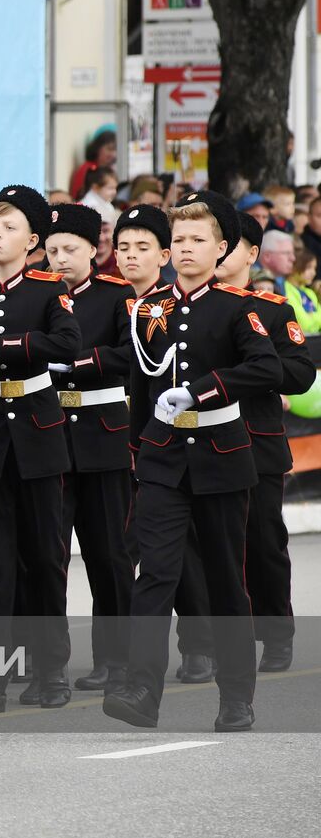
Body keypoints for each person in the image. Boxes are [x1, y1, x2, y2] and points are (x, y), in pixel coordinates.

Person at [104, 190, 279, 732]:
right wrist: (139, 453)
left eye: (197, 240)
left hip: (221, 456)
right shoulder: (148, 308)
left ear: (221, 248)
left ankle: (236, 696)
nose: (184, 248)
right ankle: (142, 690)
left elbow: (267, 368)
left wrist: (202, 391)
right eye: (178, 239)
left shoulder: (238, 307)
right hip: (163, 458)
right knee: (155, 574)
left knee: (226, 579)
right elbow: (141, 387)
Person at [0, 187, 80, 715]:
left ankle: (50, 668)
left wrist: (4, 347)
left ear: (33, 241)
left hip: (37, 429)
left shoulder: (48, 289)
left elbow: (67, 343)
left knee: (44, 557)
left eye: (9, 227)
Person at [44, 204, 135, 694]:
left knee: (109, 554)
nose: (60, 258)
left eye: (70, 249)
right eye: (52, 249)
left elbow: (131, 354)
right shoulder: (38, 293)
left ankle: (115, 659)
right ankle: (49, 662)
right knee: (49, 555)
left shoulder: (117, 295)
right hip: (49, 435)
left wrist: (78, 363)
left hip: (103, 435)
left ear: (93, 250)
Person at [218, 212, 315, 672]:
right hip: (199, 443)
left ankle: (276, 635)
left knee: (262, 542)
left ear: (252, 254)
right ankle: (208, 642)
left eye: (228, 243)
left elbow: (299, 372)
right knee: (208, 546)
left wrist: (254, 370)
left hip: (255, 441)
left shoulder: (274, 310)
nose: (217, 251)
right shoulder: (182, 310)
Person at [70, 127, 117, 198]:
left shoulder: (108, 169)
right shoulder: (88, 169)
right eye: (109, 149)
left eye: (115, 150)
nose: (113, 154)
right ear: (97, 148)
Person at [283, 249, 321, 334]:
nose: (314, 273)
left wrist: (312, 317)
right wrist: (316, 318)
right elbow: (304, 325)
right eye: (309, 267)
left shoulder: (310, 293)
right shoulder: (285, 289)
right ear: (294, 267)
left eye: (314, 268)